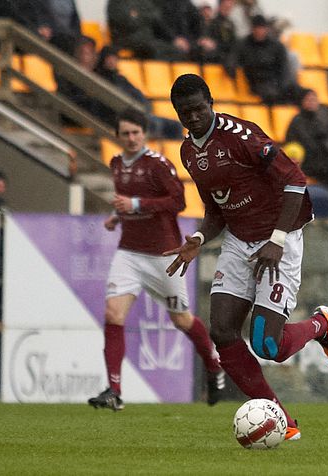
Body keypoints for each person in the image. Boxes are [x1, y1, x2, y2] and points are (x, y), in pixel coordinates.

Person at [168, 74, 328, 441]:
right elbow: (217, 209)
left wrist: (277, 239)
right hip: (237, 241)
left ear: (212, 103)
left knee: (269, 346)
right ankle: (282, 419)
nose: (194, 117)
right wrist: (199, 237)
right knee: (222, 330)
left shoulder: (241, 136)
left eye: (199, 109)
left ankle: (319, 325)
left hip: (279, 239)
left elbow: (296, 180)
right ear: (177, 114)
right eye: (185, 113)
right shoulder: (189, 153)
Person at [88, 108, 225, 411]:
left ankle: (214, 365)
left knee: (181, 320)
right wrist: (117, 216)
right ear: (118, 136)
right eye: (125, 133)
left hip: (164, 255)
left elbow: (178, 201)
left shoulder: (158, 165)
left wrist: (135, 203)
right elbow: (129, 203)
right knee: (113, 314)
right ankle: (114, 391)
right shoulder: (116, 164)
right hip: (129, 253)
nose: (131, 138)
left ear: (144, 134)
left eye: (136, 132)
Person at [236, 14, 299, 104]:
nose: (259, 31)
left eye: (262, 28)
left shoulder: (276, 45)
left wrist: (283, 85)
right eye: (257, 28)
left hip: (276, 82)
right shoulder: (244, 45)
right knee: (273, 95)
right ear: (252, 29)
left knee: (300, 93)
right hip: (258, 83)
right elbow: (233, 59)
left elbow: (284, 67)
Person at [285, 88, 328, 185]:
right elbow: (292, 145)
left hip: (323, 166)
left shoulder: (323, 121)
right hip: (305, 164)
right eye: (308, 100)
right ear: (302, 102)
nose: (311, 103)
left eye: (314, 100)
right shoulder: (296, 122)